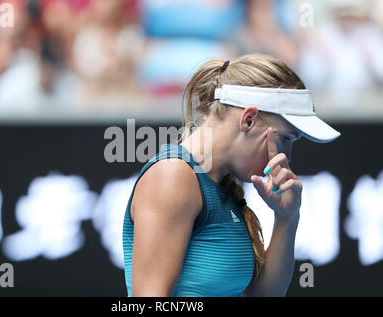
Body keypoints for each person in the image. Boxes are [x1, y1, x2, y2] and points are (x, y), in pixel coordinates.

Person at [122, 53, 341, 297]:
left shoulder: (222, 186)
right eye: (286, 138)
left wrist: (286, 219)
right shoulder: (173, 176)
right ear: (248, 120)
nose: (287, 156)